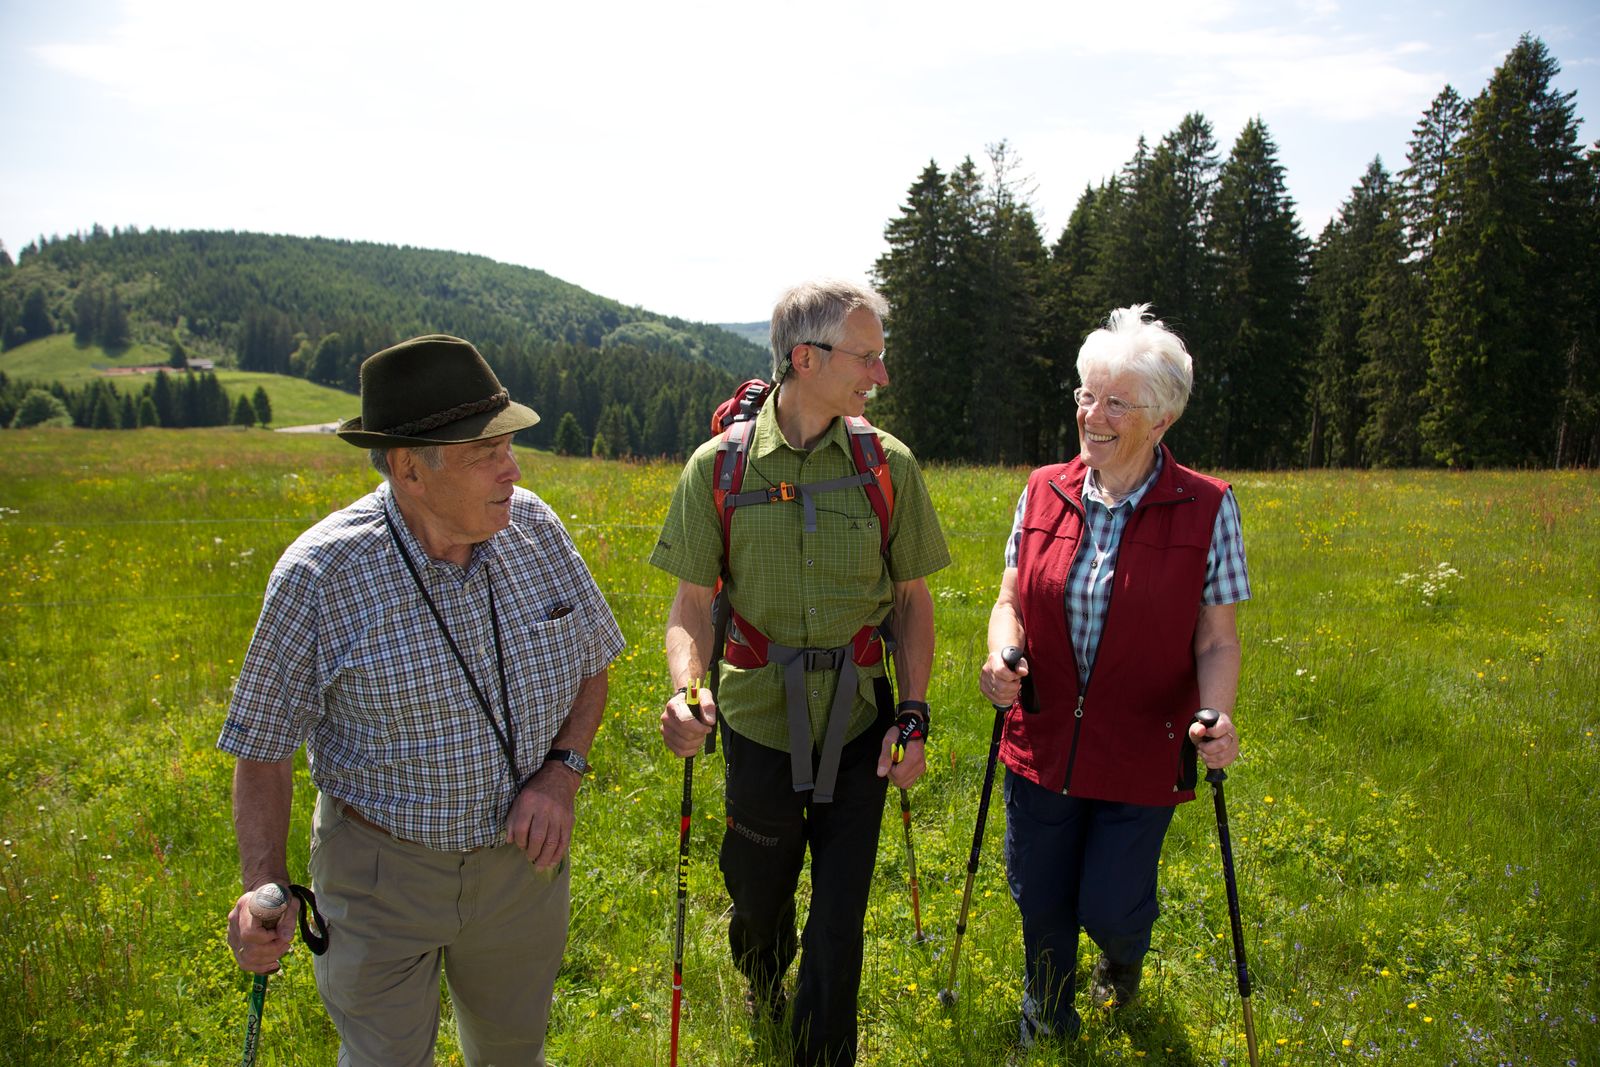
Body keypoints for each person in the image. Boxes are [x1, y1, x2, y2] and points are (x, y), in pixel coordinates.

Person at [220, 334, 624, 1067]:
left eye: (509, 444)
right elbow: (264, 751)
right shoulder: (320, 576)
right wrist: (263, 888)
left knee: (513, 1054)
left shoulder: (535, 528)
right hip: (379, 879)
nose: (514, 468)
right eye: (485, 452)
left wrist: (561, 774)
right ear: (409, 468)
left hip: (520, 872)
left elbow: (592, 665)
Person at [651, 279, 949, 1066]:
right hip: (756, 719)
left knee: (841, 915)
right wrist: (689, 690)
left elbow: (912, 602)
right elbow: (691, 605)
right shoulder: (719, 469)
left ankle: (823, 1052)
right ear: (805, 357)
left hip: (860, 721)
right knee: (759, 893)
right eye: (866, 356)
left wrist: (912, 713)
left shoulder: (889, 465)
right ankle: (761, 970)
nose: (880, 375)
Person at [979, 304, 1249, 1046]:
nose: (1091, 416)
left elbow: (1218, 640)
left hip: (1142, 747)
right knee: (1041, 897)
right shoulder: (1042, 490)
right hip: (1041, 739)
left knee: (1111, 903)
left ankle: (1122, 956)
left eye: (1115, 403)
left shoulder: (1207, 507)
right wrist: (1002, 655)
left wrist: (1217, 714)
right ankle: (1049, 1014)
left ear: (1161, 419)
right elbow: (1010, 599)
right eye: (1085, 397)